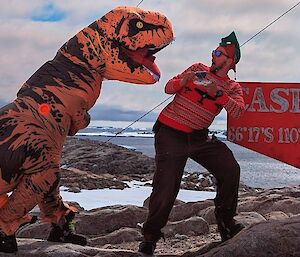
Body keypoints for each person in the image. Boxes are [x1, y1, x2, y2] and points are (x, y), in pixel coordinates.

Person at [138, 31, 245, 255]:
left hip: (200, 136)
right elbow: (168, 87)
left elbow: (238, 110)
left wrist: (217, 94)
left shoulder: (233, 87)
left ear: (230, 60)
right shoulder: (197, 68)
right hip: (171, 132)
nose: (213, 55)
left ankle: (226, 223)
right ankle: (150, 237)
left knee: (230, 169)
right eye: (214, 52)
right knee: (167, 185)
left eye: (218, 53)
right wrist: (184, 80)